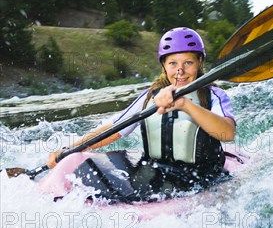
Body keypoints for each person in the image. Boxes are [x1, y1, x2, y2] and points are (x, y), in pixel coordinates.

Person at [44, 27, 236, 202]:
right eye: (172, 63)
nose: (180, 71)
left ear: (199, 62)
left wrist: (185, 104)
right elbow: (114, 129)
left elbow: (227, 133)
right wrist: (70, 149)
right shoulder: (149, 97)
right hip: (158, 170)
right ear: (164, 65)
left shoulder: (214, 95)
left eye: (188, 62)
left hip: (203, 175)